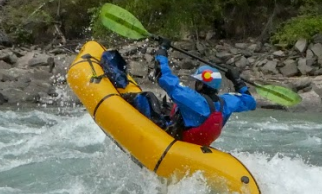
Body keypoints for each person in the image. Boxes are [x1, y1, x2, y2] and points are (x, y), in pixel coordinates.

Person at [100, 41, 256, 146]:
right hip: (198, 142)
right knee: (169, 105)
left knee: (149, 97)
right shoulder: (227, 102)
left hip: (176, 137)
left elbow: (163, 76)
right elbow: (250, 101)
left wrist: (162, 52)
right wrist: (237, 81)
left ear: (201, 85)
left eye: (197, 82)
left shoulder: (190, 97)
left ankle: (119, 100)